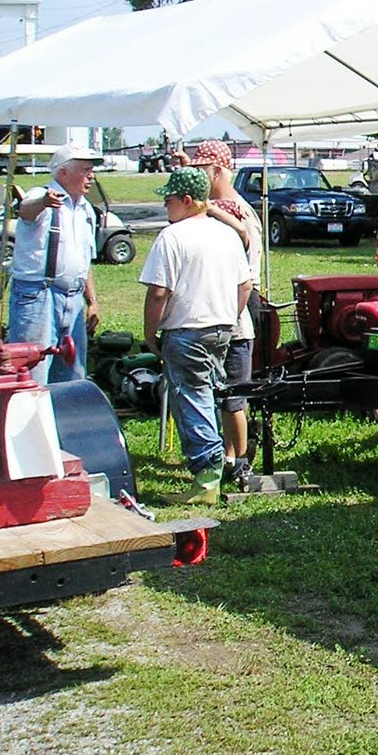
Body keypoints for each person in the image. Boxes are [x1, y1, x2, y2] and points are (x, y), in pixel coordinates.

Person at [140, 168, 253, 505]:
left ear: (187, 200)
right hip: (221, 329)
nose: (165, 204)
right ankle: (215, 468)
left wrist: (150, 333)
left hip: (186, 329)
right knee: (206, 395)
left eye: (169, 199)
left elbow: (158, 293)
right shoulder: (227, 235)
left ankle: (207, 476)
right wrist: (228, 316)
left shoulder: (172, 237)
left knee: (192, 400)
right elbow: (245, 286)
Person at [186, 140, 264, 488]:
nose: (198, 176)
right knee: (222, 390)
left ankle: (238, 459)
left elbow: (244, 271)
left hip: (238, 300)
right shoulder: (220, 207)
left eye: (201, 170)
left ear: (216, 171)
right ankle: (229, 455)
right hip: (225, 300)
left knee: (233, 389)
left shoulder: (237, 212)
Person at [7, 145, 103, 383]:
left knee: (73, 374)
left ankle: (63, 408)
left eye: (92, 170)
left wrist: (92, 301)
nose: (91, 176)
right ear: (63, 172)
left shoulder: (86, 210)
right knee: (32, 371)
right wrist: (44, 202)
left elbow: (84, 260)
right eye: (85, 170)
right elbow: (25, 210)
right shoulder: (40, 195)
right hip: (39, 296)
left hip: (73, 297)